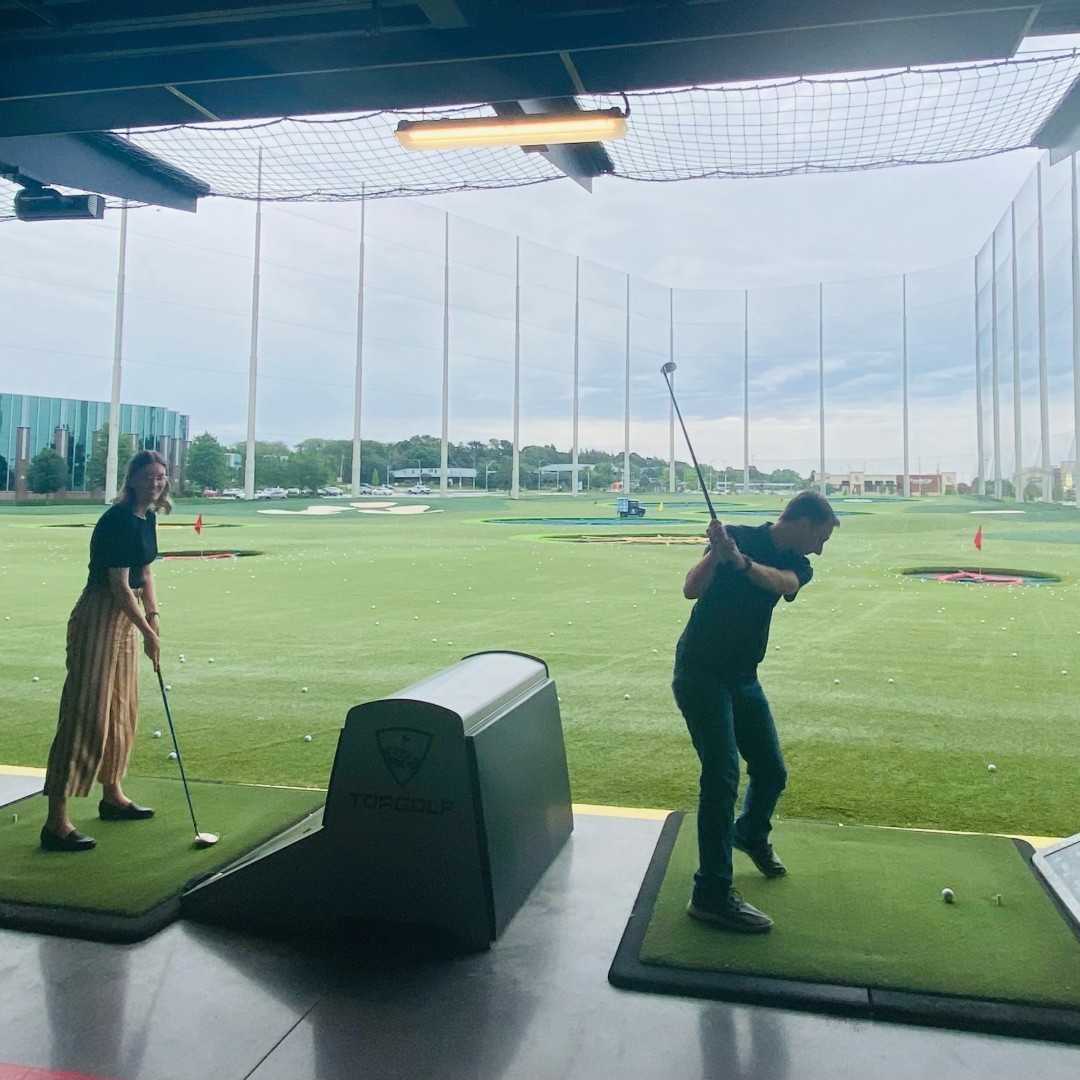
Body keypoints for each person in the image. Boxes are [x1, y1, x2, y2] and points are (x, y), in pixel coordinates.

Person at [672, 490, 838, 932]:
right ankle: (710, 894)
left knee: (771, 770)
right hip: (700, 673)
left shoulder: (798, 564)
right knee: (722, 776)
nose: (818, 549)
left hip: (743, 677)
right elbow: (691, 589)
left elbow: (781, 582)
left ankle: (749, 833)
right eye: (819, 538)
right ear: (802, 523)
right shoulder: (738, 536)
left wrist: (741, 563)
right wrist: (717, 554)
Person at [40, 450, 169, 852]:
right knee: (86, 712)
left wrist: (154, 613)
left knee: (121, 708)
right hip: (100, 613)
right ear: (132, 480)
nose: (155, 483)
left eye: (161, 477)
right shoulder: (116, 519)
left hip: (126, 618)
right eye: (148, 477)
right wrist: (147, 630)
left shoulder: (147, 517)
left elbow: (144, 571)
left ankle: (112, 794)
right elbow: (116, 584)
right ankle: (55, 822)